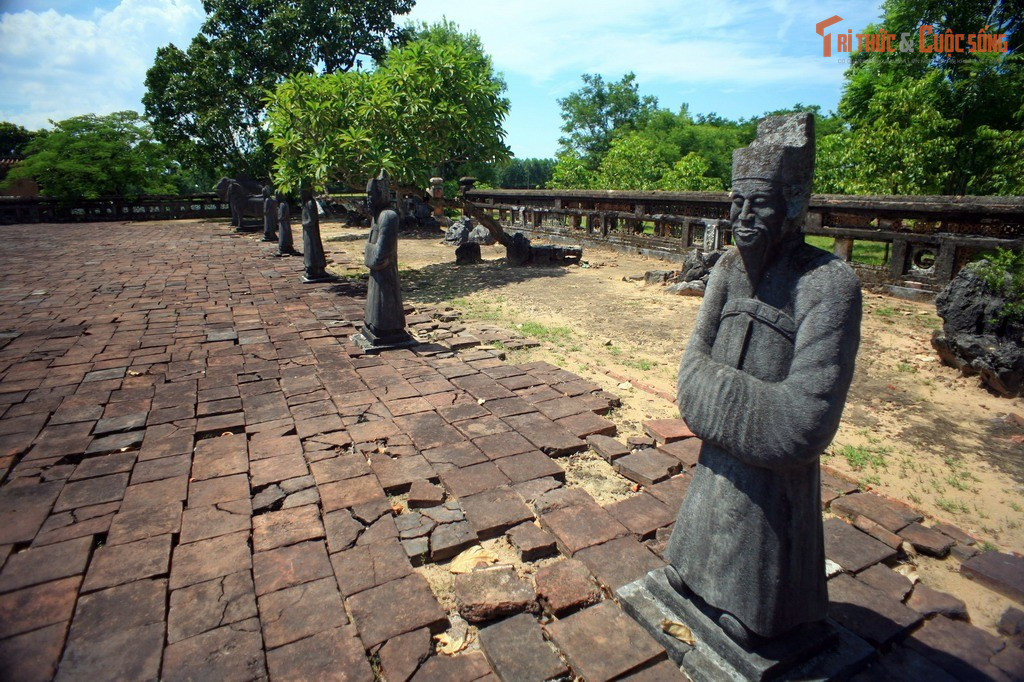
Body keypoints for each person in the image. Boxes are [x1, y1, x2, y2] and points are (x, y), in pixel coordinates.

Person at [664, 113, 862, 645]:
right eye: (735, 205)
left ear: (794, 205)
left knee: (760, 526)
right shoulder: (728, 269)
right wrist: (736, 399)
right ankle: (697, 570)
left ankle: (761, 604)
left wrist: (718, 392)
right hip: (717, 462)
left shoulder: (828, 285)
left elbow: (803, 421)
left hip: (777, 485)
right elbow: (689, 377)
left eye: (760, 205)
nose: (743, 219)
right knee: (691, 543)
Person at [357, 171, 413, 348]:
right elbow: (373, 250)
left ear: (381, 194)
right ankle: (375, 324)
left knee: (385, 308)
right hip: (378, 275)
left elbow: (381, 256)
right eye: (367, 195)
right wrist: (370, 252)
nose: (368, 199)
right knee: (375, 309)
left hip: (385, 275)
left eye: (371, 194)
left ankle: (386, 327)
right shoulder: (377, 217)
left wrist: (368, 251)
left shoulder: (388, 216)